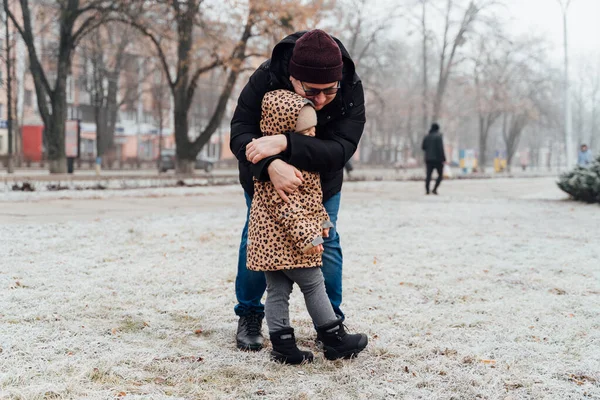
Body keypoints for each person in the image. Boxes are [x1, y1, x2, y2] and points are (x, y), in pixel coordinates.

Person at [230, 29, 365, 351]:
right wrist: (270, 167)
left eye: (328, 91)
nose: (319, 100)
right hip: (264, 182)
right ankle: (249, 314)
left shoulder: (350, 87)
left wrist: (285, 142)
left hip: (323, 184)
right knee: (257, 243)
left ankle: (331, 324)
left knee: (326, 246)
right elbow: (240, 134)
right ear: (292, 76)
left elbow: (341, 149)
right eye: (311, 91)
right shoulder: (265, 77)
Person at [246, 89, 367, 364]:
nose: (312, 135)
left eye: (314, 128)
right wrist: (310, 237)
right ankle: (334, 338)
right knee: (313, 284)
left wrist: (323, 223)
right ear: (285, 129)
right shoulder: (283, 167)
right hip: (288, 242)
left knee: (277, 290)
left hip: (274, 244)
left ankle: (283, 345)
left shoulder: (292, 159)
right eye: (306, 131)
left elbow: (313, 200)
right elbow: (286, 208)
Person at [422, 123, 447, 195]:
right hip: (438, 160)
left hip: (428, 159)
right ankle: (434, 189)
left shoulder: (427, 137)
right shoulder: (439, 137)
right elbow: (440, 149)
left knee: (428, 175)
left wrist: (429, 151)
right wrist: (443, 159)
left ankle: (427, 190)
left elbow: (423, 147)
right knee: (440, 175)